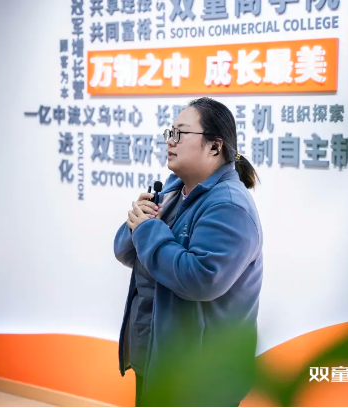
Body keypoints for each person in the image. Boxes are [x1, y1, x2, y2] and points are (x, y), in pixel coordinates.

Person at [114, 97, 264, 407]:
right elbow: (128, 254)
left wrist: (147, 230)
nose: (170, 141)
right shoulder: (173, 190)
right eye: (170, 132)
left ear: (214, 146)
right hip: (155, 361)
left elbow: (201, 279)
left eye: (181, 133)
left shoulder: (229, 206)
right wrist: (137, 224)